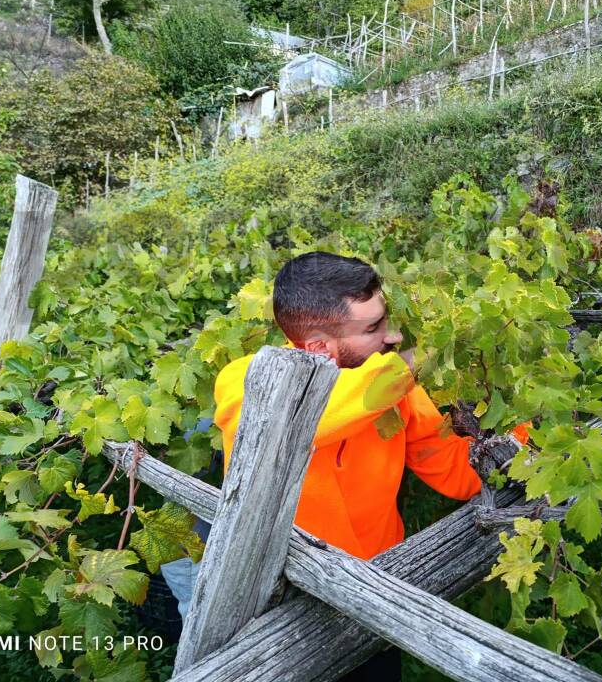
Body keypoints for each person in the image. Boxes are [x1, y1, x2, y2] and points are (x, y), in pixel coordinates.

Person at [165, 251, 528, 681]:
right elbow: (310, 418)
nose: (391, 336)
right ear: (319, 346)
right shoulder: (248, 378)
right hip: (280, 599)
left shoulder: (397, 388)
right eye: (372, 328)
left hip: (377, 583)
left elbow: (452, 471)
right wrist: (419, 360)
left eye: (385, 319)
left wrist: (527, 433)